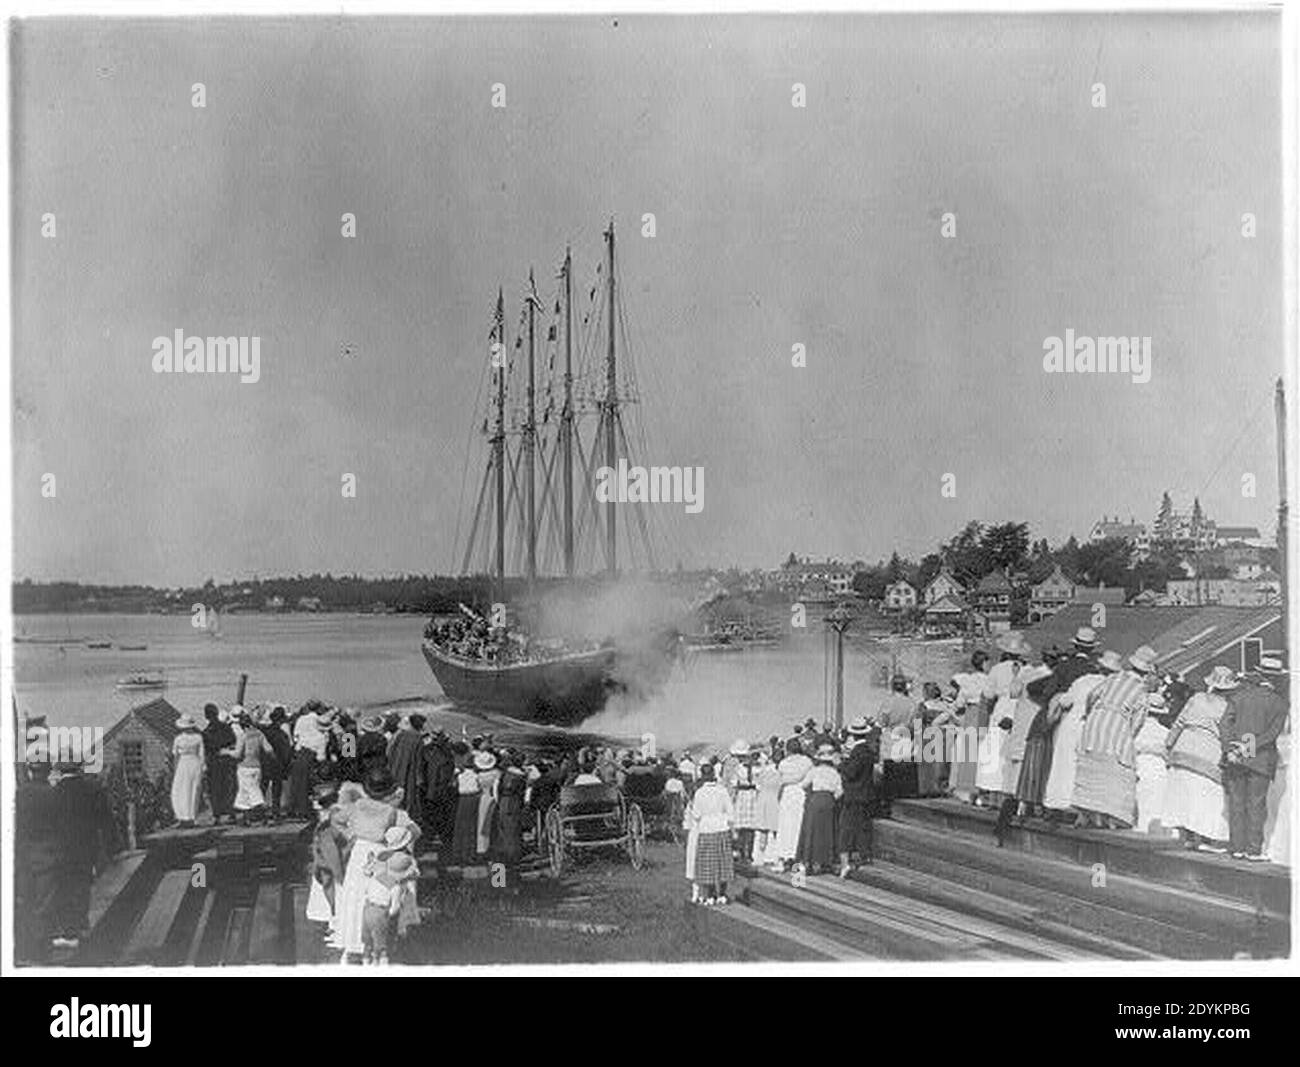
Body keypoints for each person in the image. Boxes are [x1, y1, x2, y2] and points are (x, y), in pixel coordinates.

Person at [335, 766, 420, 964]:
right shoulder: (394, 812)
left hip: (359, 853)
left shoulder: (357, 806)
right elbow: (415, 831)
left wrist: (352, 835)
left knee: (355, 895)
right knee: (381, 898)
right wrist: (399, 843)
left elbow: (337, 821)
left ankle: (354, 944)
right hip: (382, 853)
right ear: (390, 791)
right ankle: (380, 947)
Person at [1072, 645, 1158, 829]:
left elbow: (1092, 695)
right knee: (1116, 770)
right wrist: (1128, 735)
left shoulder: (1113, 678)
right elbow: (1137, 722)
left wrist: (1089, 715)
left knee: (1090, 765)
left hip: (1096, 720)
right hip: (1117, 724)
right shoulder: (1141, 691)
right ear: (1146, 673)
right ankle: (1109, 816)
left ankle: (1086, 812)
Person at [1220, 657, 1289, 861]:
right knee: (1256, 804)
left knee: (1237, 802)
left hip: (1236, 757)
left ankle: (1236, 847)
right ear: (1276, 679)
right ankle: (1253, 849)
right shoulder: (1280, 703)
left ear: (1258, 674)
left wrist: (1231, 747)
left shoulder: (1239, 696)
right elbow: (1272, 734)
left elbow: (1225, 724)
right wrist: (1247, 747)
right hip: (1260, 758)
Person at [1043, 650, 1120, 815]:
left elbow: (1065, 701)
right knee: (1082, 766)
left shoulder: (1084, 680)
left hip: (1072, 723)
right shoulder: (1113, 687)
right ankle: (1077, 806)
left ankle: (1056, 802)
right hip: (1093, 727)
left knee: (1063, 762)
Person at [48, 760, 115, 951]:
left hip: (61, 849)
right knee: (83, 885)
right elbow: (106, 820)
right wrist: (113, 847)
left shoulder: (54, 792)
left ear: (60, 771)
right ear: (79, 768)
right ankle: (82, 925)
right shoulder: (93, 788)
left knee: (64, 886)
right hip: (87, 847)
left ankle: (70, 929)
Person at [15, 758, 62, 962]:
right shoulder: (53, 794)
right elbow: (60, 826)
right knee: (44, 902)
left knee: (25, 900)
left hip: (24, 855)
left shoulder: (20, 793)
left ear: (32, 771)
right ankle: (42, 947)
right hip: (47, 854)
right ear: (47, 771)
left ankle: (26, 947)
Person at [978, 633, 1028, 808]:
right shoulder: (1026, 669)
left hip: (1001, 706)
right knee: (1012, 750)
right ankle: (1011, 793)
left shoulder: (997, 669)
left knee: (994, 751)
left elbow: (988, 694)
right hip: (1019, 709)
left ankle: (992, 795)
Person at [837, 716, 879, 876]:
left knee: (847, 827)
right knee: (863, 826)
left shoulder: (857, 752)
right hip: (866, 794)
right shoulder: (868, 750)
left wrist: (840, 764)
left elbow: (851, 773)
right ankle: (864, 855)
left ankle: (848, 860)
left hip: (854, 795)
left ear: (853, 735)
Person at [688, 763, 734, 905]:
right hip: (722, 828)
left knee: (707, 863)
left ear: (702, 776)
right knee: (723, 863)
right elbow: (730, 811)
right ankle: (722, 894)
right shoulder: (722, 791)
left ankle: (710, 895)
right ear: (714, 775)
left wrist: (691, 808)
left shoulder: (700, 793)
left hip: (706, 829)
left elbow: (696, 815)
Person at [947, 650, 989, 803]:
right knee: (984, 752)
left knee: (968, 754)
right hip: (985, 714)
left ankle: (966, 789)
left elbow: (959, 703)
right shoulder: (989, 680)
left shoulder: (968, 681)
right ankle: (983, 788)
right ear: (984, 663)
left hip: (971, 715)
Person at [796, 744, 843, 875]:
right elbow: (839, 791)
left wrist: (810, 793)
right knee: (827, 831)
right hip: (829, 800)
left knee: (811, 831)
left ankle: (808, 861)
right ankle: (826, 861)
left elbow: (803, 784)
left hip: (816, 799)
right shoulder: (835, 773)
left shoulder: (814, 771)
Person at [876, 674, 920, 814]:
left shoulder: (888, 702)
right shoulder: (912, 703)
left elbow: (882, 721)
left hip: (891, 737)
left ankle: (887, 802)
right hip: (905, 736)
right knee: (902, 770)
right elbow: (915, 723)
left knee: (888, 771)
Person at [769, 737, 814, 869]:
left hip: (787, 792)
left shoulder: (783, 763)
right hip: (801, 792)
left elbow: (781, 779)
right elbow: (809, 778)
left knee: (785, 825)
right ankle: (797, 861)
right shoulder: (807, 762)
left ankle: (783, 858)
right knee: (798, 825)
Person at [1134, 692, 1175, 835]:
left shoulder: (1135, 729)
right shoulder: (1166, 732)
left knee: (1140, 805)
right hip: (1160, 769)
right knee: (1156, 806)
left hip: (1139, 765)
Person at [230, 708, 274, 825]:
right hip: (257, 766)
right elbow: (269, 749)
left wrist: (226, 752)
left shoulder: (243, 736)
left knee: (250, 792)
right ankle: (247, 819)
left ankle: (260, 815)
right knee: (248, 791)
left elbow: (237, 754)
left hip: (244, 766)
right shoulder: (259, 734)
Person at [494, 752, 528, 885]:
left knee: (501, 837)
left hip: (503, 803)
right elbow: (522, 795)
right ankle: (513, 870)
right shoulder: (521, 777)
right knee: (513, 835)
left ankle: (498, 880)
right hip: (514, 805)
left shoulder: (504, 774)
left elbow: (498, 790)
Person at [421, 728, 458, 844]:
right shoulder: (446, 754)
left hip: (431, 788)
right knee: (440, 814)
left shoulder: (427, 751)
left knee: (433, 813)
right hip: (440, 789)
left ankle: (434, 835)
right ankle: (439, 836)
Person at [202, 703, 237, 825]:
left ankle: (217, 815)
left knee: (214, 789)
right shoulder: (226, 727)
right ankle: (230, 813)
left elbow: (206, 749)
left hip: (213, 761)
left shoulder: (206, 732)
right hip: (226, 759)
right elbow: (233, 741)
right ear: (216, 713)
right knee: (228, 787)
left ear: (206, 716)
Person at [170, 713, 206, 828]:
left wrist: (175, 769)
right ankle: (192, 817)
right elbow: (202, 755)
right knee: (193, 790)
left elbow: (175, 755)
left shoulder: (178, 739)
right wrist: (202, 767)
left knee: (179, 791)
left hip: (183, 764)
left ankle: (182, 817)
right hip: (195, 763)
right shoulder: (198, 737)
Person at [387, 713, 427, 817]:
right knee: (407, 796)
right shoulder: (418, 739)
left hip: (394, 768)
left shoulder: (400, 735)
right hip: (408, 772)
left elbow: (390, 752)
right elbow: (418, 760)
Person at [260, 706, 293, 820]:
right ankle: (275, 811)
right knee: (276, 789)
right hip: (278, 763)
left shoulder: (264, 731)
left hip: (264, 763)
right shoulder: (282, 734)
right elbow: (286, 752)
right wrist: (286, 765)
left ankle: (258, 811)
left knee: (263, 787)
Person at [451, 747, 481, 865]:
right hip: (473, 799)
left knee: (460, 827)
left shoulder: (459, 774)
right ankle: (470, 853)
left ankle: (458, 853)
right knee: (471, 827)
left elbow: (454, 786)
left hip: (462, 800)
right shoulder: (476, 775)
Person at [753, 750, 782, 864]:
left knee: (763, 830)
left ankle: (760, 856)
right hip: (776, 800)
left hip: (763, 799)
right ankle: (777, 857)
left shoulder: (764, 771)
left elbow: (758, 785)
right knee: (776, 831)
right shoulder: (780, 772)